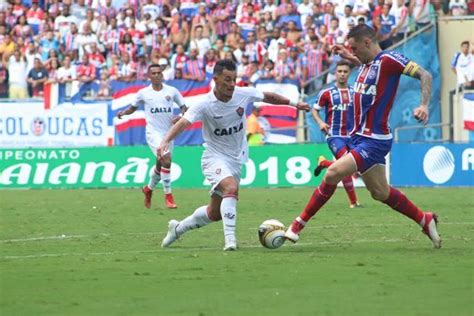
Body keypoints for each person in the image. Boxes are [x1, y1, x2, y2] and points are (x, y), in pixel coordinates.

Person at [285, 24, 442, 249]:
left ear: (367, 43)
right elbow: (370, 66)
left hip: (374, 139)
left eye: (355, 47)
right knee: (380, 192)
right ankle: (424, 219)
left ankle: (297, 226)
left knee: (333, 173)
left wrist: (424, 105)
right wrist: (348, 55)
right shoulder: (367, 65)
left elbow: (425, 75)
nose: (353, 52)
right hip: (359, 137)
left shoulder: (390, 60)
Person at [159, 59, 310, 251]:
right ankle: (230, 241)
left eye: (234, 79)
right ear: (215, 79)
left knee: (214, 213)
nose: (232, 84)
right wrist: (164, 142)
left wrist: (295, 104)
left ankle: (177, 229)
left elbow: (268, 96)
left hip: (236, 159)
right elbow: (183, 123)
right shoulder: (204, 104)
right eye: (227, 80)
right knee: (230, 188)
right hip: (214, 157)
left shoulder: (242, 94)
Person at [117, 64, 186, 209]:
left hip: (169, 133)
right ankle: (169, 196)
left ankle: (148, 189)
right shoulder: (143, 93)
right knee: (167, 161)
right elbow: (132, 108)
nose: (156, 75)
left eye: (158, 73)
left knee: (160, 164)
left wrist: (179, 117)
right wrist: (123, 112)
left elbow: (185, 109)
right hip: (153, 133)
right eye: (153, 73)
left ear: (162, 75)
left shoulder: (172, 91)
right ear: (149, 76)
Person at [312, 60, 361, 209]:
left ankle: (324, 163)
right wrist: (320, 122)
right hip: (335, 135)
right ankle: (353, 202)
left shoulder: (355, 92)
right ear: (335, 73)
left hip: (352, 136)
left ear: (349, 73)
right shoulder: (326, 93)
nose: (342, 74)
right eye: (339, 71)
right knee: (346, 163)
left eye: (345, 71)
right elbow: (314, 110)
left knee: (353, 166)